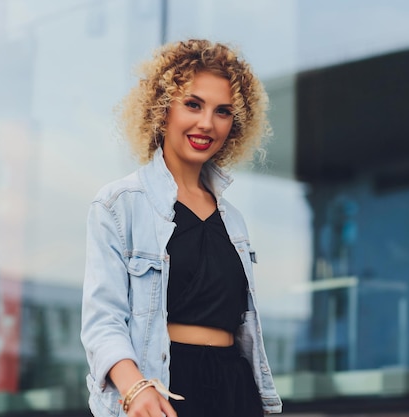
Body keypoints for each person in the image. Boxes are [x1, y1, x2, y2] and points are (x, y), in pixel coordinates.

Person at [81, 39, 282, 417]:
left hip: (235, 391)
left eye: (222, 111)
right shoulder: (118, 205)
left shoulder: (232, 219)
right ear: (163, 108)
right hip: (164, 390)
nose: (206, 123)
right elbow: (102, 321)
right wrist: (135, 388)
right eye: (193, 104)